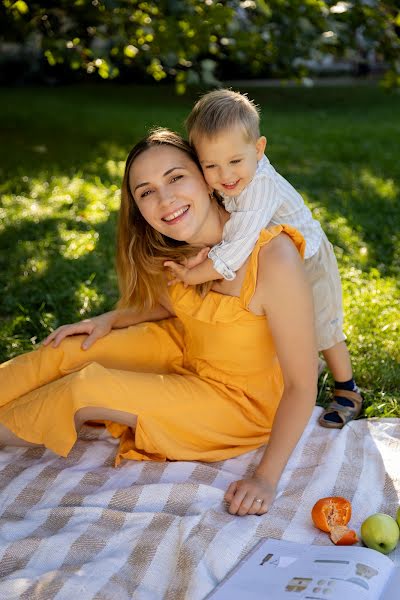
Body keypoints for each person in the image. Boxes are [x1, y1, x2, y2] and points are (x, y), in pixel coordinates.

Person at [0, 128, 317, 517]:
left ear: (206, 177)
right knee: (68, 350)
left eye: (175, 177)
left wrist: (265, 477)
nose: (165, 200)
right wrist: (108, 319)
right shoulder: (182, 248)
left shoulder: (273, 258)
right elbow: (173, 305)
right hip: (185, 349)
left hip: (238, 404)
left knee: (85, 387)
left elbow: (303, 385)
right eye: (146, 191)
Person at [164, 89, 363, 430]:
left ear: (259, 150)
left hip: (309, 260)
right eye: (211, 166)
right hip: (275, 258)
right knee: (282, 328)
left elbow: (237, 244)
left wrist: (194, 275)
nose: (225, 175)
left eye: (234, 162)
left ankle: (348, 389)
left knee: (322, 326)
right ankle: (305, 365)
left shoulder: (259, 189)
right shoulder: (235, 173)